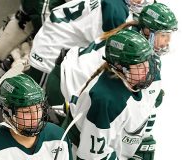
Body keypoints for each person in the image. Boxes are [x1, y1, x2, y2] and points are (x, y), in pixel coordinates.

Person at [63, 30, 160, 159]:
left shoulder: (138, 79)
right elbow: (91, 157)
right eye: (139, 66)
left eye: (147, 61)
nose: (147, 70)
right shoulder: (105, 100)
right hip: (76, 151)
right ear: (120, 67)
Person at [26, 0, 154, 86]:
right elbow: (114, 51)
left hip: (58, 34)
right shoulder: (115, 11)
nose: (141, 2)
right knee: (35, 99)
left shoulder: (116, 6)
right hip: (52, 48)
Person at [0, 74, 73, 160]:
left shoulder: (59, 136)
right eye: (27, 111)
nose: (35, 117)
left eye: (39, 108)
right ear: (7, 112)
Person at [0, 0, 70, 77]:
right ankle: (19, 64)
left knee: (23, 21)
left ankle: (0, 56)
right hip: (48, 6)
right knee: (51, 42)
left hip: (32, 4)